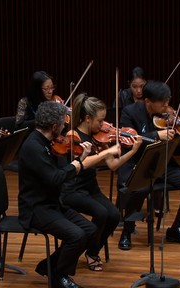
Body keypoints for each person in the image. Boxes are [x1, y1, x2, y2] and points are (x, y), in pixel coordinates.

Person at [60, 93, 143, 272]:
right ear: (88, 118)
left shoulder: (99, 136)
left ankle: (92, 249)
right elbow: (81, 164)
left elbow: (113, 165)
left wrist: (132, 151)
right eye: (100, 120)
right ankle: (92, 252)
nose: (104, 125)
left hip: (90, 187)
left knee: (113, 215)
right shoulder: (73, 135)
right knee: (101, 213)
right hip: (72, 190)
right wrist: (106, 153)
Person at [117, 80, 180, 249]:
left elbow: (176, 150)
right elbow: (128, 141)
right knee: (138, 189)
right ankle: (127, 230)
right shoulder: (130, 112)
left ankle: (176, 228)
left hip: (163, 164)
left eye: (168, 101)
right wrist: (156, 134)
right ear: (148, 101)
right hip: (138, 164)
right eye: (162, 102)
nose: (167, 106)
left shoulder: (169, 117)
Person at [18, 101, 97, 288]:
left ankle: (49, 266)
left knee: (90, 230)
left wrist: (78, 157)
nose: (65, 128)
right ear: (54, 126)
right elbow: (55, 178)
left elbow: (61, 172)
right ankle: (58, 277)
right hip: (36, 208)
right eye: (63, 124)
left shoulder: (49, 142)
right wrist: (78, 164)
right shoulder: (33, 147)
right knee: (76, 236)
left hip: (52, 203)